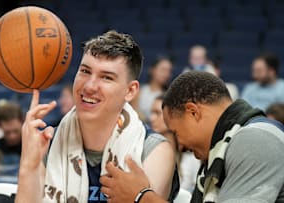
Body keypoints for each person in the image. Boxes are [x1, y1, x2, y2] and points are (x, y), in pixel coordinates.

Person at [15, 30, 177, 203]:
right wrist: (29, 166)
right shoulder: (48, 144)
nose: (90, 86)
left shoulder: (154, 150)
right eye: (85, 71)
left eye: (106, 77)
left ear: (130, 91)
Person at [100, 71, 284, 202]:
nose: (181, 146)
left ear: (193, 112)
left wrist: (142, 197)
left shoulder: (256, 138)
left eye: (176, 132)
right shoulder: (223, 149)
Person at [150, 94, 200, 193]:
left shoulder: (191, 156)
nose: (152, 118)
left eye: (157, 113)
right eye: (151, 112)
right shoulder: (147, 151)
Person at [133, 57, 173, 122]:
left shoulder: (169, 97)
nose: (166, 74)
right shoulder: (139, 91)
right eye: (163, 70)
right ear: (152, 70)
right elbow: (134, 111)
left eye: (169, 71)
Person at [0, 101, 23, 176]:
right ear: (0, 126)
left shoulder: (33, 145)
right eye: (7, 132)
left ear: (22, 122)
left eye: (16, 131)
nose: (12, 136)